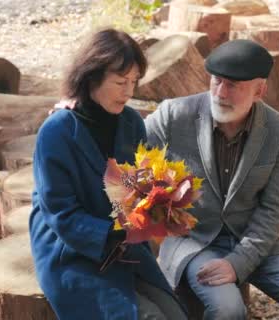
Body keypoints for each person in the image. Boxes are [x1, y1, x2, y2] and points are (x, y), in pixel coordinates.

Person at [145, 39, 279, 320]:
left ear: (259, 90)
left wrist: (238, 262)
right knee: (228, 309)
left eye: (233, 85)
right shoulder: (174, 115)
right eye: (216, 81)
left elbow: (272, 210)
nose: (221, 92)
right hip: (194, 240)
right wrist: (80, 113)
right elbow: (125, 147)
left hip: (255, 241)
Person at [30, 28, 187, 320]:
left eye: (133, 82)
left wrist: (160, 201)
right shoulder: (57, 131)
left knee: (175, 314)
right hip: (70, 248)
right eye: (120, 82)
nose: (129, 92)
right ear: (92, 77)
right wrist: (116, 232)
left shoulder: (131, 122)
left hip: (124, 237)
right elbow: (61, 215)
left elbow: (139, 186)